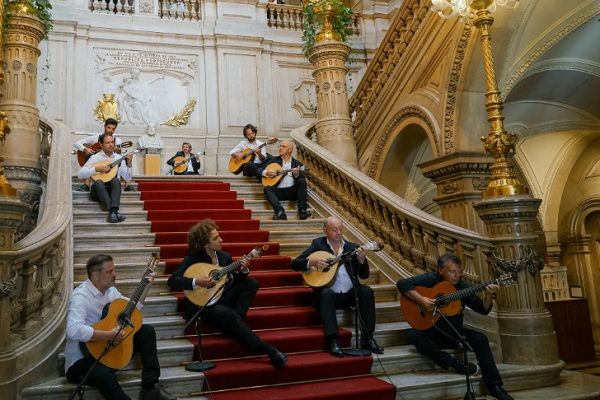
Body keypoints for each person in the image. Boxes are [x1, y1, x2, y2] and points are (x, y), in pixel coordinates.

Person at [167, 219, 288, 366]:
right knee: (230, 315)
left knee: (252, 283)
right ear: (205, 243)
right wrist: (197, 281)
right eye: (216, 238)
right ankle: (269, 350)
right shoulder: (193, 258)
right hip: (204, 304)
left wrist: (243, 270)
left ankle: (234, 324)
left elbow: (232, 282)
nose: (221, 239)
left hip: (221, 297)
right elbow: (172, 281)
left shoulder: (224, 257)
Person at [396, 253, 513, 400]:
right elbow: (402, 284)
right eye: (452, 271)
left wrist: (489, 296)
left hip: (454, 333)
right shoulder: (431, 279)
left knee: (480, 338)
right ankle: (455, 364)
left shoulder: (462, 287)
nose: (456, 275)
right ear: (440, 270)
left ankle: (494, 386)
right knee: (413, 335)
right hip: (432, 331)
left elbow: (482, 309)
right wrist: (422, 301)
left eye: (459, 271)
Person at [65, 254, 176, 400]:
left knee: (147, 331)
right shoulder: (80, 296)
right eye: (109, 272)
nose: (115, 274)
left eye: (114, 270)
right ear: (95, 275)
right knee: (104, 377)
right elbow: (73, 330)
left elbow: (132, 309)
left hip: (110, 352)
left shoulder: (111, 291)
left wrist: (146, 287)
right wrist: (107, 335)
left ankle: (151, 387)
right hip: (83, 360)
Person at [291, 216, 383, 357]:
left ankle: (368, 338)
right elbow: (295, 264)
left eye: (340, 229)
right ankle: (333, 340)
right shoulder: (318, 245)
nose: (338, 232)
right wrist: (312, 262)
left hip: (349, 295)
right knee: (326, 293)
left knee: (366, 291)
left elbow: (364, 276)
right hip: (328, 297)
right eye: (334, 229)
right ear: (325, 230)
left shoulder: (352, 247)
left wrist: (362, 260)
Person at [77, 133, 133, 223]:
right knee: (98, 183)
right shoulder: (95, 158)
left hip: (112, 192)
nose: (111, 145)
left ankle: (113, 212)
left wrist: (129, 164)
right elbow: (80, 174)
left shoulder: (119, 158)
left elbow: (127, 177)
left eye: (112, 142)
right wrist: (96, 169)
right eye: (107, 143)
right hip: (98, 191)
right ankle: (113, 211)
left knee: (115, 180)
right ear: (101, 144)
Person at [257, 140, 311, 220]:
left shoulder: (297, 164)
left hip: (292, 192)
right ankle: (280, 211)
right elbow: (258, 170)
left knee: (302, 181)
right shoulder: (275, 160)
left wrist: (296, 175)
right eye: (280, 146)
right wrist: (266, 173)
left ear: (290, 150)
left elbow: (301, 179)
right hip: (278, 191)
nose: (280, 148)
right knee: (267, 189)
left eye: (283, 146)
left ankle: (302, 211)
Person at [73, 118, 122, 192]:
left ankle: (110, 181)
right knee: (90, 155)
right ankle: (87, 184)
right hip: (95, 163)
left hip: (107, 163)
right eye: (109, 127)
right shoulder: (95, 138)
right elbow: (76, 143)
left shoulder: (117, 141)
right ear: (104, 127)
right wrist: (85, 149)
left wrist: (117, 151)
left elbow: (117, 157)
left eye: (113, 129)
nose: (110, 130)